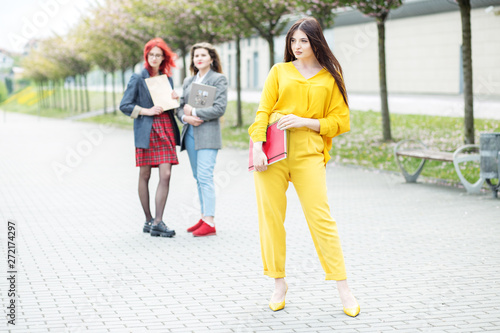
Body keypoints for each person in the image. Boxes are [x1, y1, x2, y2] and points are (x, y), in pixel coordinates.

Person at [248, 17, 360, 316]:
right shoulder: (279, 71)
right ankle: (278, 283)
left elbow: (340, 122)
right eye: (293, 40)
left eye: (303, 41)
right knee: (271, 219)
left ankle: (343, 287)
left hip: (309, 154)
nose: (297, 46)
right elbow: (263, 111)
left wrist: (305, 122)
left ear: (316, 42)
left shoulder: (330, 77)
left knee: (322, 219)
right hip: (272, 154)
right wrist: (257, 146)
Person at [120, 38, 180, 238]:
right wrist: (146, 110)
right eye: (151, 54)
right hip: (147, 130)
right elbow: (125, 105)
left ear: (164, 58)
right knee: (145, 175)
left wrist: (174, 101)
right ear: (147, 56)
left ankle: (158, 221)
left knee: (166, 175)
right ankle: (148, 219)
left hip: (165, 129)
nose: (154, 58)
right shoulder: (137, 78)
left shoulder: (167, 79)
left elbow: (170, 107)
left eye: (158, 55)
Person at [176, 42, 228, 237]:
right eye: (196, 55)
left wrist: (195, 111)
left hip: (207, 134)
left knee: (205, 177)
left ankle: (210, 221)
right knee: (198, 178)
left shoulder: (218, 79)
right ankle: (203, 216)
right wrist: (185, 117)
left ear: (211, 59)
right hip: (189, 134)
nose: (199, 58)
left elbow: (219, 108)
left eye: (203, 55)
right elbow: (181, 106)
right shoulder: (188, 81)